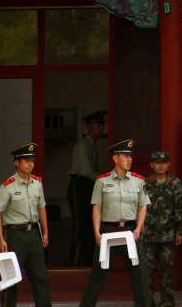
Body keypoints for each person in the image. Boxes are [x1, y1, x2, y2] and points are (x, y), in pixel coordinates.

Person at [79, 139, 151, 307]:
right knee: (98, 275)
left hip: (131, 232)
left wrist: (139, 229)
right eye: (125, 156)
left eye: (130, 156)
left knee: (140, 274)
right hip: (108, 232)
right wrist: (97, 232)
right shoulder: (102, 181)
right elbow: (96, 208)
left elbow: (143, 207)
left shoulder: (138, 181)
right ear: (115, 158)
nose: (130, 159)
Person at [0, 142, 51, 307]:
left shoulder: (37, 183)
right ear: (16, 162)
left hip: (33, 234)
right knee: (11, 279)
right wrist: (0, 239)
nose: (30, 164)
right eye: (26, 161)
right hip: (14, 235)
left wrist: (45, 231)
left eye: (32, 160)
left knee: (40, 277)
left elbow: (42, 207)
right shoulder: (8, 186)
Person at [143, 150, 182, 307]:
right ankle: (148, 302)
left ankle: (167, 303)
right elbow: (139, 207)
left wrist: (180, 230)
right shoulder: (145, 183)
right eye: (157, 163)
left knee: (166, 273)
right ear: (152, 165)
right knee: (146, 272)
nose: (161, 166)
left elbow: (180, 208)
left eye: (164, 163)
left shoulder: (174, 183)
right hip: (147, 235)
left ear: (168, 164)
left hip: (167, 235)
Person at [68, 110, 105, 266]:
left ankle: (89, 261)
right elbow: (86, 172)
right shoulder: (82, 146)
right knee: (81, 226)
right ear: (89, 127)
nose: (100, 128)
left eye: (101, 125)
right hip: (80, 185)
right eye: (97, 125)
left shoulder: (92, 145)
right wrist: (106, 178)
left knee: (92, 225)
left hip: (90, 185)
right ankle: (75, 264)